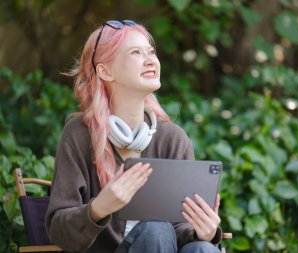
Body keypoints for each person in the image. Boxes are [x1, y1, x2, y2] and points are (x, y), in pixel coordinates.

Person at [45, 20, 223, 253]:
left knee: (204, 249)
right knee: (155, 229)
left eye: (151, 52)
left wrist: (204, 231)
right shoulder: (78, 135)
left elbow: (179, 229)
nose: (151, 60)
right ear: (106, 71)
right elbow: (58, 231)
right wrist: (98, 208)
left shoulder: (173, 138)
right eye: (136, 52)